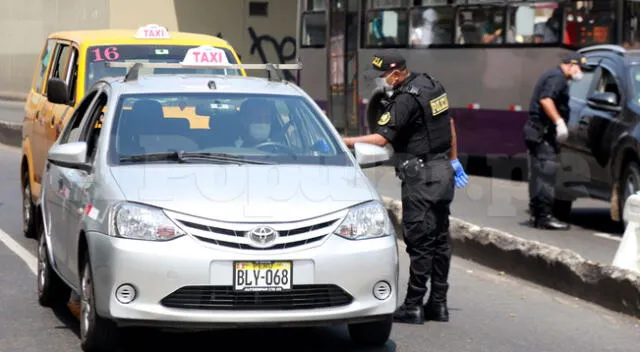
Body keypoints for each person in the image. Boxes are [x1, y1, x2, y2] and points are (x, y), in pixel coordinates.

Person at [343, 51, 468, 324]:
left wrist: (345, 140)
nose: (380, 81)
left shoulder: (404, 100)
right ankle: (438, 303)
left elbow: (379, 138)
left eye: (382, 76)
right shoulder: (431, 84)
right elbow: (449, 123)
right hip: (443, 173)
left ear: (397, 74)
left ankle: (413, 305)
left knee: (420, 243)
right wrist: (454, 159)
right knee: (439, 241)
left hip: (421, 177)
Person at [523, 52, 586, 230]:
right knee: (545, 176)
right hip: (542, 134)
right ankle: (544, 217)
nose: (580, 71)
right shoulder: (558, 78)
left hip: (535, 132)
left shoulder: (552, 75)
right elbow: (546, 99)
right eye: (579, 67)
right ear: (571, 65)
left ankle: (537, 215)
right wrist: (559, 122)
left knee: (537, 175)